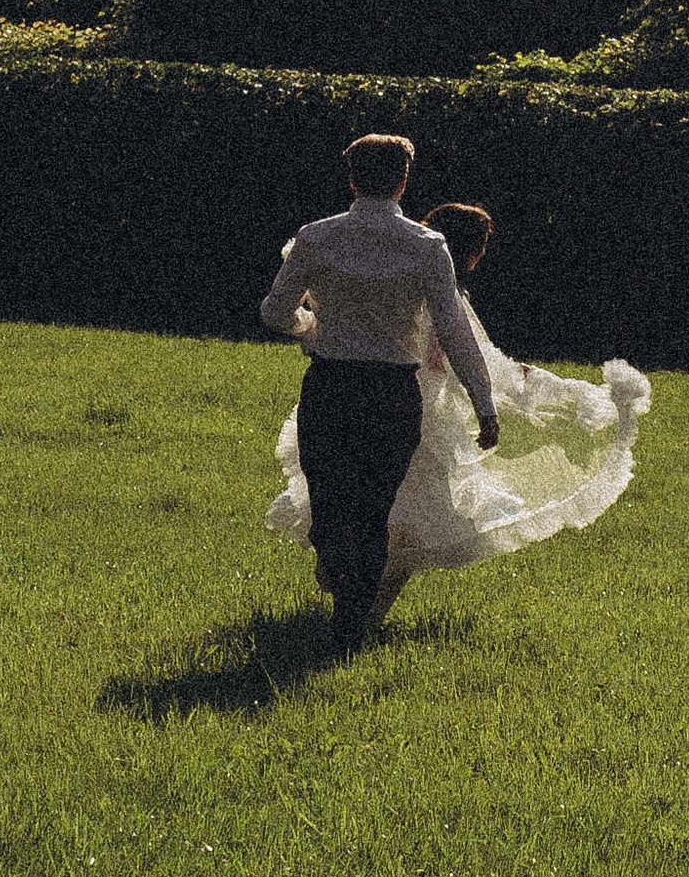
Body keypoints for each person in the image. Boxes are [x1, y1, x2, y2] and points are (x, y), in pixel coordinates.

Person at [267, 194, 651, 630]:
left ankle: (356, 605)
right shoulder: (439, 289)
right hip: (417, 417)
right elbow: (475, 358)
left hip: (348, 392)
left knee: (364, 512)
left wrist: (313, 331)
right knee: (407, 526)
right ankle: (363, 612)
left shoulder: (388, 264)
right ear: (471, 251)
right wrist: (560, 393)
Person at [257, 133, 497, 650]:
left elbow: (275, 312)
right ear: (404, 181)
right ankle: (350, 612)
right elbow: (453, 331)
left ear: (351, 177)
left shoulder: (316, 237)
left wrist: (310, 325)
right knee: (373, 506)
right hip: (392, 394)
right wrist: (484, 403)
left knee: (330, 499)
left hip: (331, 386)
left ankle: (345, 615)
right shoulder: (427, 247)